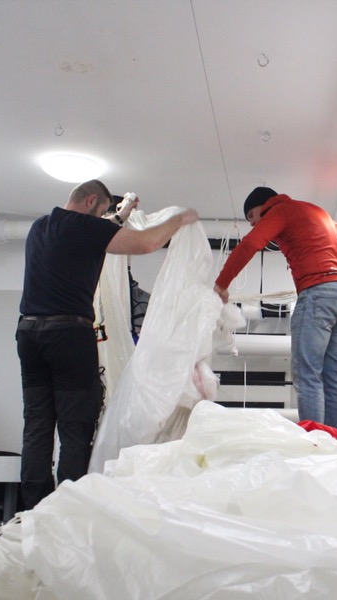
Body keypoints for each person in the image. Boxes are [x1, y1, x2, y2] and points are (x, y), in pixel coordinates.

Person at [17, 179, 198, 509]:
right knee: (75, 425)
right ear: (90, 202)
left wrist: (121, 214)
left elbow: (96, 231)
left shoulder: (40, 227)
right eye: (101, 210)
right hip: (68, 335)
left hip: (29, 334)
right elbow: (146, 243)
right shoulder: (86, 228)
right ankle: (68, 508)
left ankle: (32, 510)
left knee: (37, 424)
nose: (102, 217)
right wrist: (179, 219)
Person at [214, 186, 337, 434]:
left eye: (251, 216)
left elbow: (251, 243)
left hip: (318, 297)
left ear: (262, 206)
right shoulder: (316, 211)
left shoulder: (279, 212)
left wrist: (221, 284)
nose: (253, 223)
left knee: (308, 374)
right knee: (333, 376)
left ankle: (315, 443)